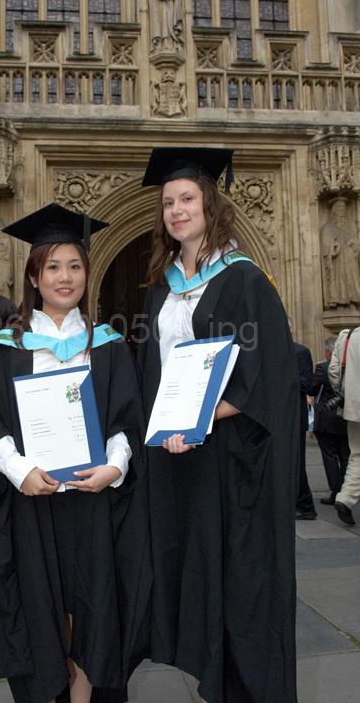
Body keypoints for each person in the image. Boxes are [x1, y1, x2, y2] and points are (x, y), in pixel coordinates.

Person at [0, 204, 151, 703]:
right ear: (34, 276)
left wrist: (114, 467)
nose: (65, 277)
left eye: (75, 266)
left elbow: (127, 421)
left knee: (95, 613)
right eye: (53, 266)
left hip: (93, 502)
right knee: (43, 612)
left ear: (87, 273)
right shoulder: (7, 348)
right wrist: (20, 470)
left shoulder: (108, 346)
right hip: (32, 505)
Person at [138, 147, 299, 703]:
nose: (176, 211)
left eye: (187, 199)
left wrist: (202, 416)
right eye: (168, 203)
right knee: (193, 573)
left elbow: (269, 374)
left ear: (210, 204)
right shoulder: (162, 288)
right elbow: (153, 371)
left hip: (229, 460)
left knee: (239, 579)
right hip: (176, 456)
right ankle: (210, 680)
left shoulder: (245, 280)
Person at [309, 336, 350, 505]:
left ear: (329, 352)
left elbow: (311, 388)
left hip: (326, 418)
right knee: (345, 454)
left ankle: (336, 490)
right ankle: (348, 490)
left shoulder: (323, 368)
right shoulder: (349, 367)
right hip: (345, 416)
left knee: (329, 456)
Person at [328, 325, 360, 526]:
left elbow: (334, 371)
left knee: (357, 454)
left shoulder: (347, 336)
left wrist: (344, 392)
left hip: (354, 406)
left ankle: (346, 497)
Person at [288, 319, 317, 521]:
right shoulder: (268, 350)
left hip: (294, 417)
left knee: (296, 464)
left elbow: (307, 385)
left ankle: (306, 506)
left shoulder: (301, 352)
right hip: (275, 417)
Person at [320, 197, 360, 309]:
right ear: (334, 212)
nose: (342, 212)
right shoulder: (328, 227)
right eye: (340, 209)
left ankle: (352, 301)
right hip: (338, 263)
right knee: (339, 282)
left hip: (350, 263)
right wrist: (335, 246)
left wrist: (353, 244)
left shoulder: (349, 228)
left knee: (351, 282)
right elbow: (326, 244)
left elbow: (356, 242)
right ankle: (339, 303)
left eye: (344, 209)